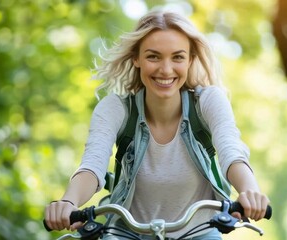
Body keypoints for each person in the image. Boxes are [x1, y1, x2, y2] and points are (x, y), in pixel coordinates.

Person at [44, 10, 270, 239]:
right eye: (153, 56)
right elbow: (92, 166)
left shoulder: (208, 102)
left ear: (190, 59)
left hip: (200, 231)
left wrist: (250, 191)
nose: (166, 69)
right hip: (126, 233)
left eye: (178, 57)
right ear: (137, 58)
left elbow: (232, 153)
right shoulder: (115, 109)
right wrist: (68, 201)